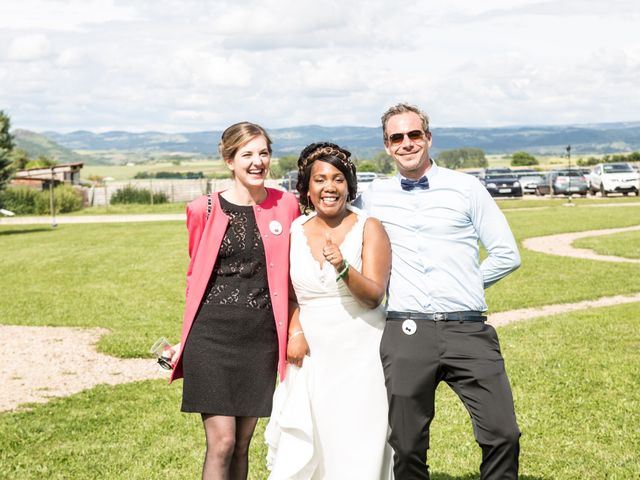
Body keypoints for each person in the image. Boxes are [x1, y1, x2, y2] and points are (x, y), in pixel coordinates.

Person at [354, 103, 521, 479]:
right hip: (406, 331)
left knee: (503, 433)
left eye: (414, 134)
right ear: (387, 145)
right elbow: (334, 218)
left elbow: (506, 253)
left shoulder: (467, 188)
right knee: (408, 444)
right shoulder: (373, 197)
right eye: (397, 137)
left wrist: (465, 283)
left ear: (428, 138)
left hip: (468, 330)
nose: (407, 143)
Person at [167, 122, 300, 480]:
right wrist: (184, 338)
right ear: (229, 160)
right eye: (247, 155)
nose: (257, 162)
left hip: (260, 339)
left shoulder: (287, 206)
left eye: (263, 153)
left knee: (243, 444)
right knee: (222, 442)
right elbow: (197, 275)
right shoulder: (202, 208)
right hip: (211, 338)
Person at [266, 142, 394, 479]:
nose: (329, 187)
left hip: (362, 350)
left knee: (357, 439)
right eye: (320, 179)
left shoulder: (370, 227)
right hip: (311, 352)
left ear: (350, 185)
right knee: (314, 441)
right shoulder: (293, 231)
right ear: (307, 188)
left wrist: (342, 267)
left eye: (338, 179)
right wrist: (295, 332)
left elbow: (374, 296)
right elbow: (287, 295)